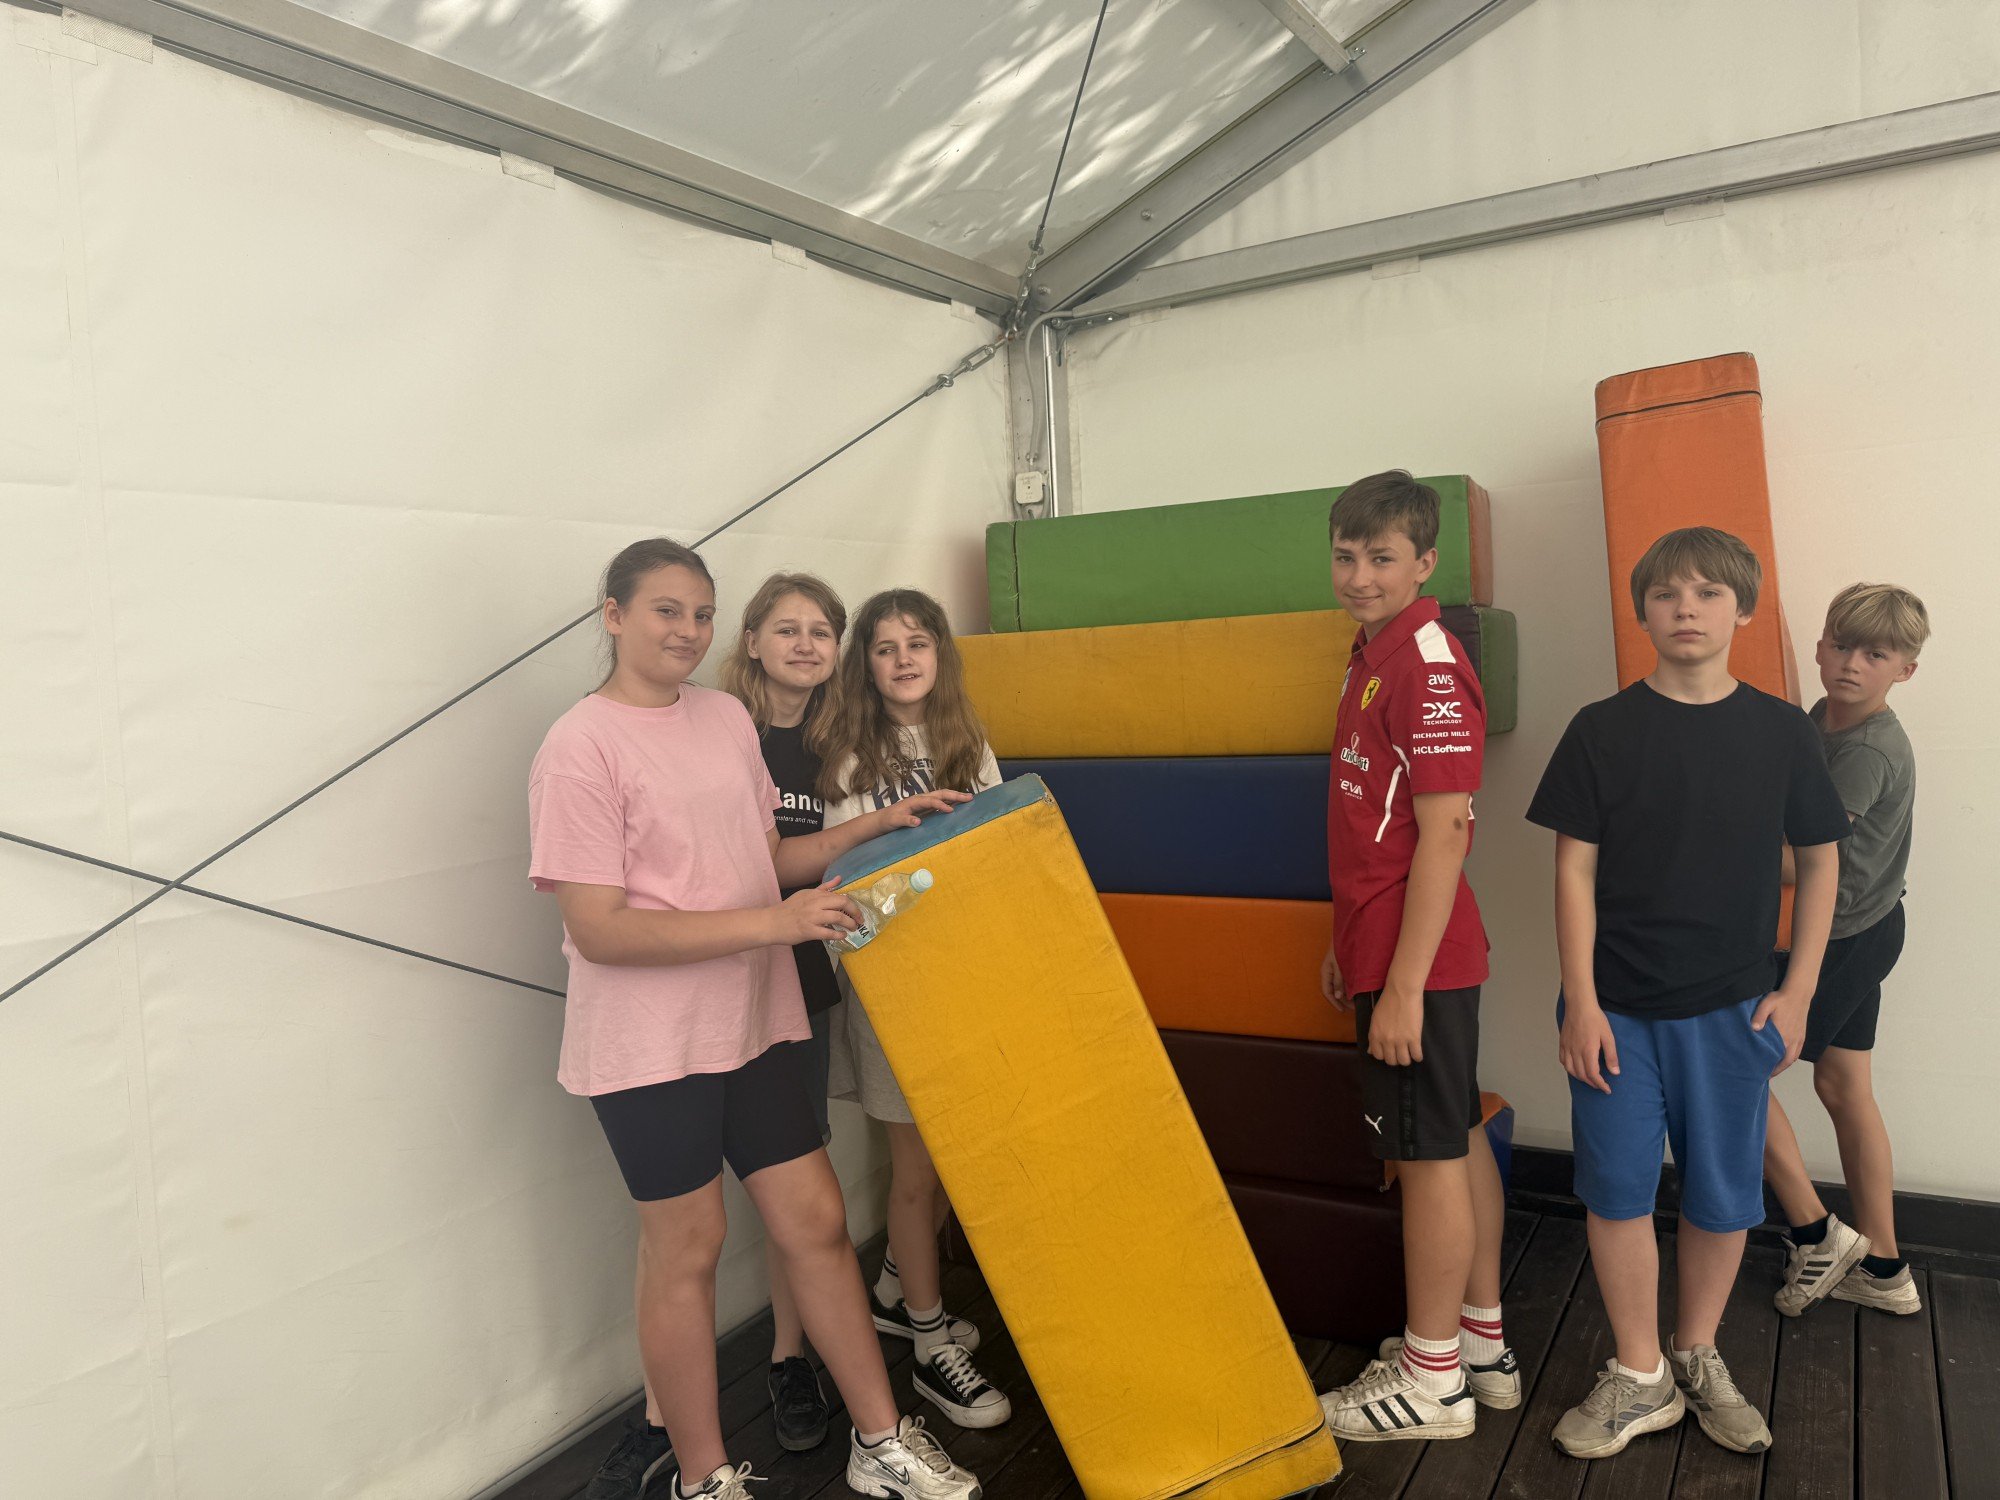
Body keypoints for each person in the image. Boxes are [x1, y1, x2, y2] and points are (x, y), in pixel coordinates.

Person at [529, 540, 981, 1500]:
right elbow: (600, 930)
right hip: (649, 1046)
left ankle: (882, 1443)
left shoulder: (724, 715)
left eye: (700, 613)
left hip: (752, 1020)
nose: (686, 631)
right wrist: (774, 925)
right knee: (687, 1248)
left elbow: (765, 858)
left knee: (815, 1220)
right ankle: (705, 1477)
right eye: (665, 610)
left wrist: (871, 827)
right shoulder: (579, 746)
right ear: (613, 615)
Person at [1527, 527, 1849, 1460]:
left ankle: (1697, 1352)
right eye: (1668, 594)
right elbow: (1573, 872)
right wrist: (1581, 1000)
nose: (1687, 609)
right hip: (1615, 1013)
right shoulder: (1601, 729)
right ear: (1643, 611)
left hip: (1734, 1010)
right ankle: (1640, 1375)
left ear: (1742, 610)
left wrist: (1798, 992)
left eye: (1709, 593)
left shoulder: (1783, 731)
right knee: (1616, 1191)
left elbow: (1821, 863)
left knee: (1721, 1196)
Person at [1312, 471, 1516, 1444]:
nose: (1360, 575)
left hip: (1419, 964)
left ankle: (1430, 1380)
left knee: (1427, 1158)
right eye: (1345, 556)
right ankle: (1477, 1341)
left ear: (1425, 561)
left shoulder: (1427, 665)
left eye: (1382, 557)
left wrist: (1399, 987)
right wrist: (1344, 939)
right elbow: (1374, 822)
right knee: (1454, 1133)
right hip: (1390, 947)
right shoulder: (1372, 651)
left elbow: (1444, 837)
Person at [821, 589, 1013, 1431]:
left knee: (954, 1159)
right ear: (865, 665)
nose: (903, 659)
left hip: (964, 979)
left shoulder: (969, 742)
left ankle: (898, 1292)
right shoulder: (849, 760)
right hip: (893, 986)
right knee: (918, 1170)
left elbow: (999, 856)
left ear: (941, 654)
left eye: (918, 643)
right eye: (885, 647)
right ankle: (932, 1346)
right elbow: (844, 887)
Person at [1761, 583, 1929, 1318]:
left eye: (1876, 655)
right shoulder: (1820, 719)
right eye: (1840, 645)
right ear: (1820, 646)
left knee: (1730, 1071)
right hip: (1865, 926)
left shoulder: (1866, 748)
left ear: (1905, 670)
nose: (1851, 664)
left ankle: (1816, 1233)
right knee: (1843, 1087)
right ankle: (1884, 1270)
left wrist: (1696, 843)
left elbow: (1806, 861)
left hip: (1845, 938)